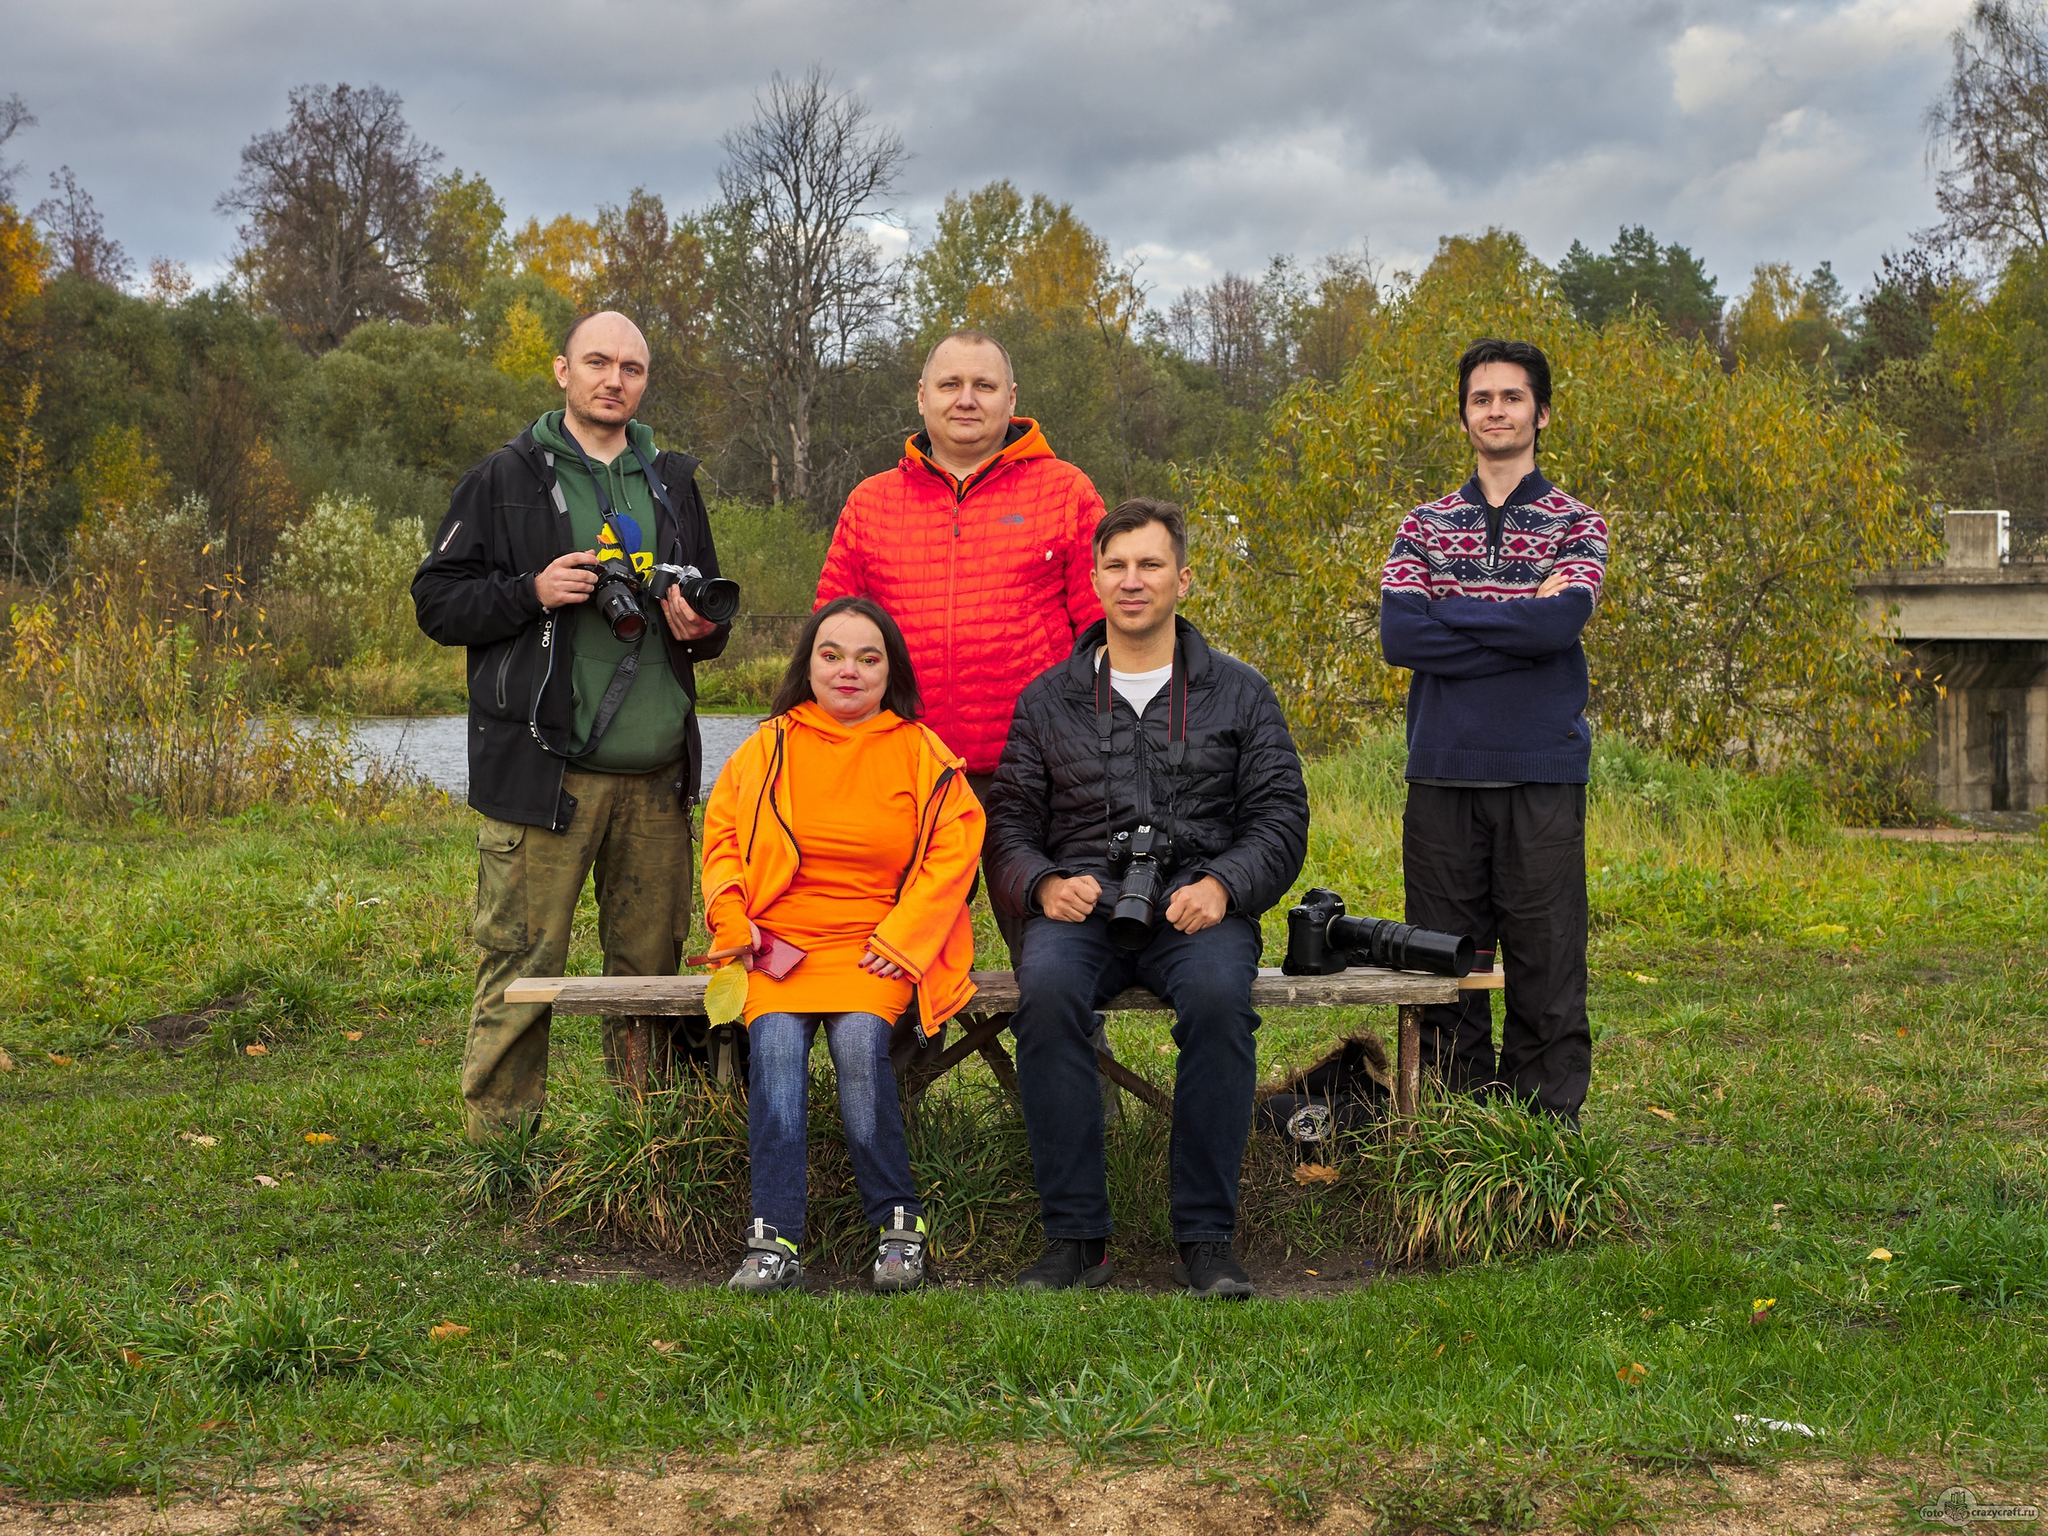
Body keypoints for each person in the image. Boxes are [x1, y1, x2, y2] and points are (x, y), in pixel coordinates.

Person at [413, 310, 730, 1143]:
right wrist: (530, 591)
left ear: (644, 381)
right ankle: (502, 1158)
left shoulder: (672, 479)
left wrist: (703, 625)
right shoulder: (503, 478)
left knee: (652, 978)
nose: (613, 379)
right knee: (521, 966)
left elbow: (709, 607)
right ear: (562, 370)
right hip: (541, 771)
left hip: (658, 775)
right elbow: (436, 602)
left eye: (630, 367)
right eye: (598, 362)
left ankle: (653, 1153)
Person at [986, 498, 1309, 1299]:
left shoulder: (1239, 692)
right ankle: (1075, 1238)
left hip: (1195, 907)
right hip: (1084, 905)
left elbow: (1280, 818)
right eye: (1117, 566)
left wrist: (1223, 884)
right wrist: (1042, 883)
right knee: (1049, 992)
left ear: (1183, 578)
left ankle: (1205, 1238)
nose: (1133, 581)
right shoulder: (1048, 697)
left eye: (1151, 564)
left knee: (1217, 1001)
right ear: (1094, 580)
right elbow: (1009, 824)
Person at [700, 596, 985, 1295]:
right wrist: (736, 926)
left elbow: (956, 853)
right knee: (772, 1045)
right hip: (780, 943)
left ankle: (898, 1225)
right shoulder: (768, 745)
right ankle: (774, 1238)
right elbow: (722, 844)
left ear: (891, 671)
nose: (848, 671)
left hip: (874, 944)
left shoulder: (920, 751)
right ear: (809, 665)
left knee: (860, 1042)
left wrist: (904, 937)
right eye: (831, 655)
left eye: (868, 657)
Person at [1378, 337, 1609, 1124]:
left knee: (1547, 966)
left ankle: (1545, 1141)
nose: (1497, 410)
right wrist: (1518, 616)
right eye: (1482, 399)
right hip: (1442, 770)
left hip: (1543, 773)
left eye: (1512, 397)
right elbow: (1401, 638)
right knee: (1446, 968)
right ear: (1465, 416)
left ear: (1540, 413)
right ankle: (1460, 1133)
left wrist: (1454, 609)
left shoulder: (1579, 523)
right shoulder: (1423, 526)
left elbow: (1562, 623)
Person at [814, 330, 1104, 949]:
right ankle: (903, 1051)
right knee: (893, 951)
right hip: (901, 767)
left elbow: (1104, 634)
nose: (965, 399)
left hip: (1036, 772)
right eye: (950, 384)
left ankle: (1063, 1048)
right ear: (922, 397)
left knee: (1056, 954)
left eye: (984, 385)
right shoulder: (870, 505)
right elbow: (829, 636)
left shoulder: (1066, 492)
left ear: (1011, 398)